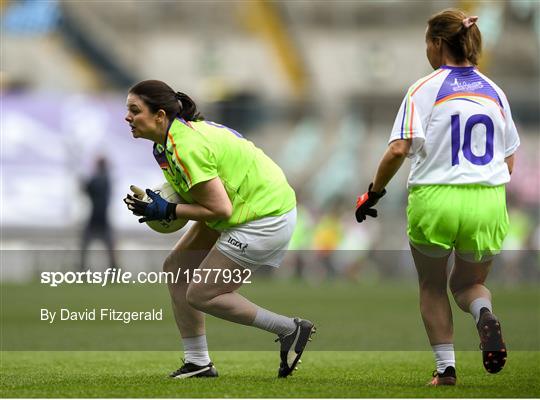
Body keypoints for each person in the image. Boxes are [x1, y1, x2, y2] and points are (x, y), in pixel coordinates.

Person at [355, 9, 519, 386]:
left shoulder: (424, 88)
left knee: (432, 286)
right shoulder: (495, 91)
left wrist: (372, 193)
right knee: (467, 285)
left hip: (436, 198)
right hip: (487, 201)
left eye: (427, 44)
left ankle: (446, 370)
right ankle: (483, 315)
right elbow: (509, 161)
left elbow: (398, 149)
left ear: (438, 44)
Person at [122, 80, 315, 379]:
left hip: (264, 215)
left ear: (159, 115)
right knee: (176, 269)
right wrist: (152, 201)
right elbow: (195, 193)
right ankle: (198, 363)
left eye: (135, 110)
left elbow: (219, 209)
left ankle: (289, 329)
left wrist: (167, 210)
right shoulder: (166, 144)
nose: (128, 117)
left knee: (201, 294)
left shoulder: (185, 146)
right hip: (247, 205)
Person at [80, 155, 117, 272]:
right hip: (98, 218)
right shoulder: (104, 178)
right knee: (86, 246)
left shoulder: (103, 179)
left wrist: (83, 181)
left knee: (108, 247)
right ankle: (82, 270)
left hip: (99, 218)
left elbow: (88, 187)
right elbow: (87, 189)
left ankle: (114, 271)